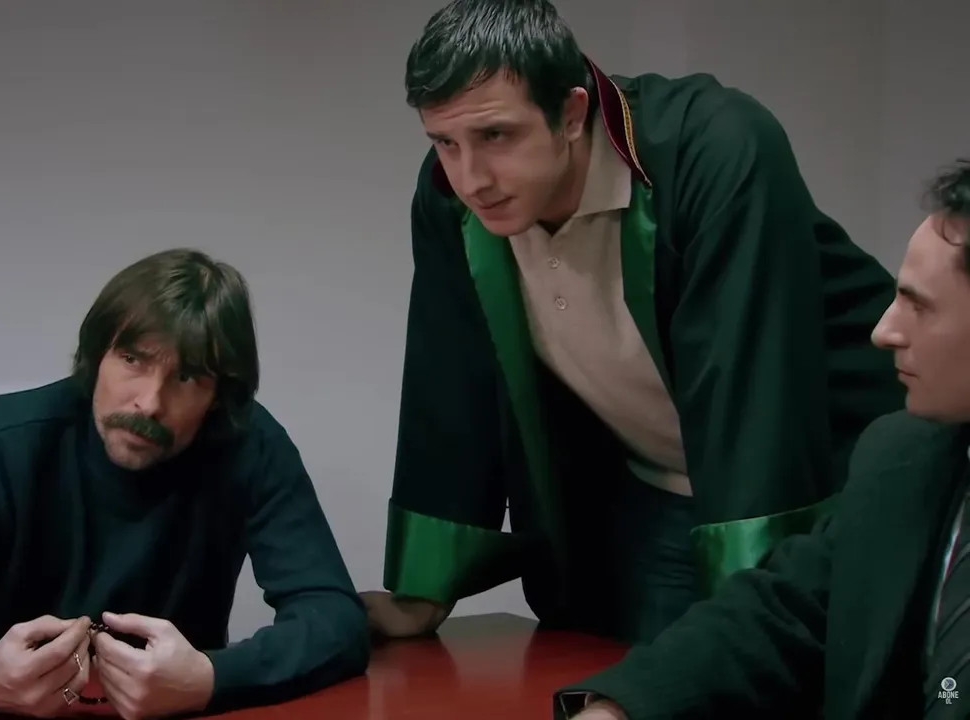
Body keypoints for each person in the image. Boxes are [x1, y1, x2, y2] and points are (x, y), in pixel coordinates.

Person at [361, 0, 906, 645]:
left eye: (497, 136)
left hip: (840, 474)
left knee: (812, 672)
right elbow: (449, 379)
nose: (472, 178)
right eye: (445, 142)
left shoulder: (713, 148)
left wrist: (754, 625)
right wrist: (424, 587)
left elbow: (751, 390)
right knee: (625, 675)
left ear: (571, 113)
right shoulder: (451, 197)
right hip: (660, 493)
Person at [0, 249, 370, 719]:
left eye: (186, 377)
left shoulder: (249, 444)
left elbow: (333, 617)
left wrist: (210, 679)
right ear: (96, 355)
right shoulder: (2, 442)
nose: (149, 402)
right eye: (133, 359)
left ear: (218, 396)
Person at [559, 160, 970, 719]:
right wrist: (618, 710)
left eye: (919, 306)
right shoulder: (905, 455)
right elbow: (783, 613)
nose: (883, 331)